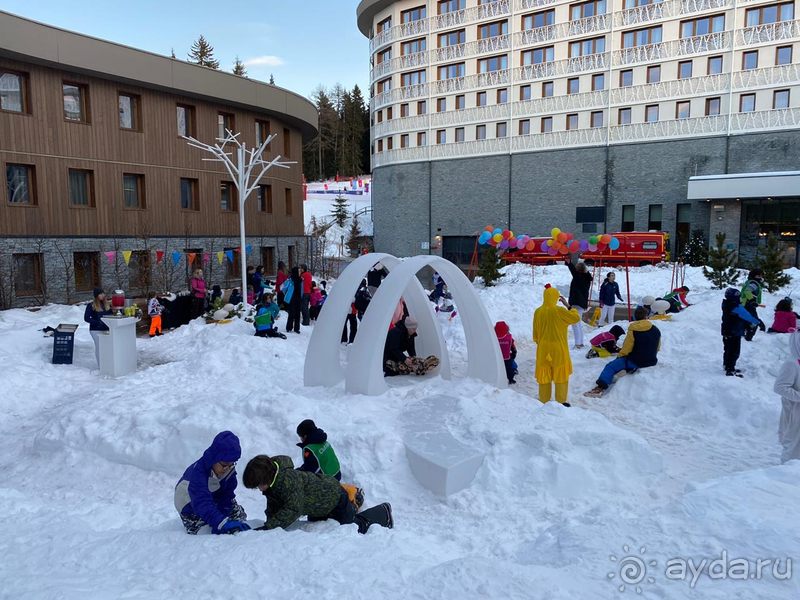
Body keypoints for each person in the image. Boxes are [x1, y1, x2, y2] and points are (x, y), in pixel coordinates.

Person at [242, 455, 392, 534]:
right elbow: (274, 506)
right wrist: (269, 524)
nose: (260, 490)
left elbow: (293, 509)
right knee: (322, 527)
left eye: (259, 486)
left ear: (266, 478)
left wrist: (269, 527)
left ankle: (382, 512)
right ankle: (353, 500)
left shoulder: (288, 481)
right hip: (317, 504)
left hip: (333, 496)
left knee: (350, 529)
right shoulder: (273, 484)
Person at [174, 431, 250, 535]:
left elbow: (227, 495)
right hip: (189, 502)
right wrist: (220, 522)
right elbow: (201, 501)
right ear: (215, 458)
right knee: (203, 530)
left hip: (212, 495)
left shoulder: (228, 469)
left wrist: (223, 516)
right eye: (224, 464)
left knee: (238, 517)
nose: (227, 469)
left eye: (232, 464)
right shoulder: (198, 473)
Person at [585, 307, 661, 397]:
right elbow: (658, 348)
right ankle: (627, 369)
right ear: (646, 316)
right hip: (652, 360)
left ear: (635, 317)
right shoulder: (656, 330)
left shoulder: (633, 331)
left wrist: (619, 357)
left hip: (636, 361)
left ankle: (599, 388)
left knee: (611, 366)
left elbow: (626, 349)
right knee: (626, 362)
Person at [533, 285, 580, 406]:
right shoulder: (559, 311)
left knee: (544, 376)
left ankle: (544, 401)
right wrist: (568, 306)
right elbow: (576, 318)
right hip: (559, 348)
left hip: (543, 348)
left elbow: (536, 334)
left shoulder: (538, 312)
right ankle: (561, 401)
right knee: (561, 375)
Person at [721, 287, 762, 377]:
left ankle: (727, 366)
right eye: (739, 297)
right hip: (734, 332)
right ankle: (730, 370)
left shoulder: (727, 304)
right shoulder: (736, 307)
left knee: (727, 350)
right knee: (734, 351)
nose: (741, 298)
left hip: (726, 331)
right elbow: (747, 316)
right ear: (734, 298)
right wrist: (758, 322)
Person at [773, 330, 800, 463]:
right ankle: (787, 474)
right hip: (794, 412)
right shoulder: (791, 364)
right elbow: (780, 387)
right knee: (793, 445)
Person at [566, 259, 592, 348]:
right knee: (578, 323)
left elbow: (573, 272)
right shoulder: (586, 278)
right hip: (581, 303)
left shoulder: (579, 278)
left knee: (575, 323)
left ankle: (578, 344)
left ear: (578, 269)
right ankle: (580, 342)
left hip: (576, 303)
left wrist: (569, 263)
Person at [84, 288, 112, 366]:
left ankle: (107, 363)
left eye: (103, 293)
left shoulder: (106, 304)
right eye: (101, 294)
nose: (103, 295)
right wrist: (97, 323)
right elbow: (86, 318)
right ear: (97, 295)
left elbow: (110, 314)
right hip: (95, 329)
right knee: (99, 346)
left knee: (106, 347)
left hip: (105, 328)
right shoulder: (91, 305)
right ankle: (101, 365)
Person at [742, 269, 765, 341]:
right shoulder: (754, 283)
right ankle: (749, 337)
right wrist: (752, 300)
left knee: (746, 318)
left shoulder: (749, 281)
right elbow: (747, 291)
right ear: (753, 276)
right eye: (759, 275)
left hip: (745, 303)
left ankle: (743, 332)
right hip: (748, 303)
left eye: (761, 275)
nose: (760, 277)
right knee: (754, 320)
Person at [285, 266, 303, 334]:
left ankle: (297, 328)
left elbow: (301, 289)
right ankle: (289, 327)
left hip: (298, 298)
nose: (300, 272)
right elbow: (284, 288)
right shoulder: (290, 280)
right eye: (298, 271)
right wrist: (288, 295)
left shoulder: (301, 280)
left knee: (298, 314)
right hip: (291, 298)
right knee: (291, 313)